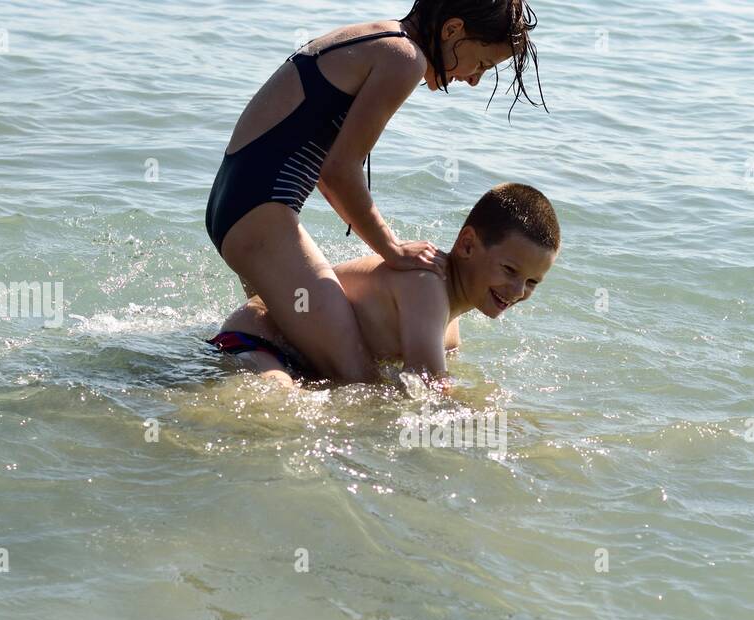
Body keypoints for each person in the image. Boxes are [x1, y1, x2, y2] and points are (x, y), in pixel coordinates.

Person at [204, 1, 544, 384]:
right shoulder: (405, 58)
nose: (473, 79)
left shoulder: (379, 37)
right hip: (261, 213)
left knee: (291, 353)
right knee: (359, 384)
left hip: (236, 204)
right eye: (480, 64)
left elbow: (325, 168)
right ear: (452, 30)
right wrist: (392, 249)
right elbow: (338, 172)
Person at [208, 183, 560, 389]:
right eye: (510, 270)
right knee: (280, 405)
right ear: (467, 245)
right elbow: (427, 384)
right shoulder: (425, 283)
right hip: (257, 338)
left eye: (532, 282)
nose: (517, 290)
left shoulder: (450, 331)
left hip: (299, 360)